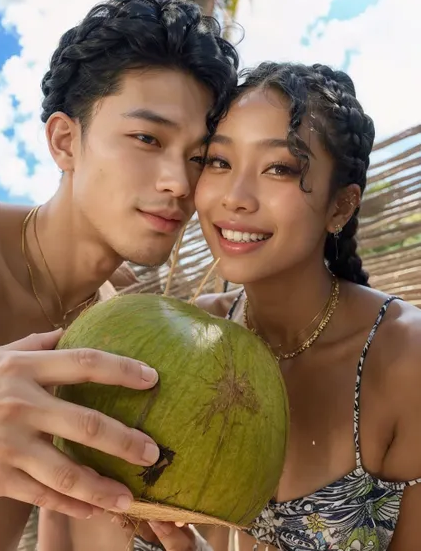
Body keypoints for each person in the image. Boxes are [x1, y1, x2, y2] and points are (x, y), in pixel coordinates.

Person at [0, 0, 238, 551]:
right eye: (147, 139)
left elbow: (79, 522)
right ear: (65, 141)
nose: (179, 182)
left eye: (199, 157)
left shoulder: (118, 324)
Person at [115, 62, 421, 551]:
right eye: (218, 162)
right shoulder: (173, 342)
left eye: (280, 168)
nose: (235, 197)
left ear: (340, 206)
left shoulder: (405, 357)